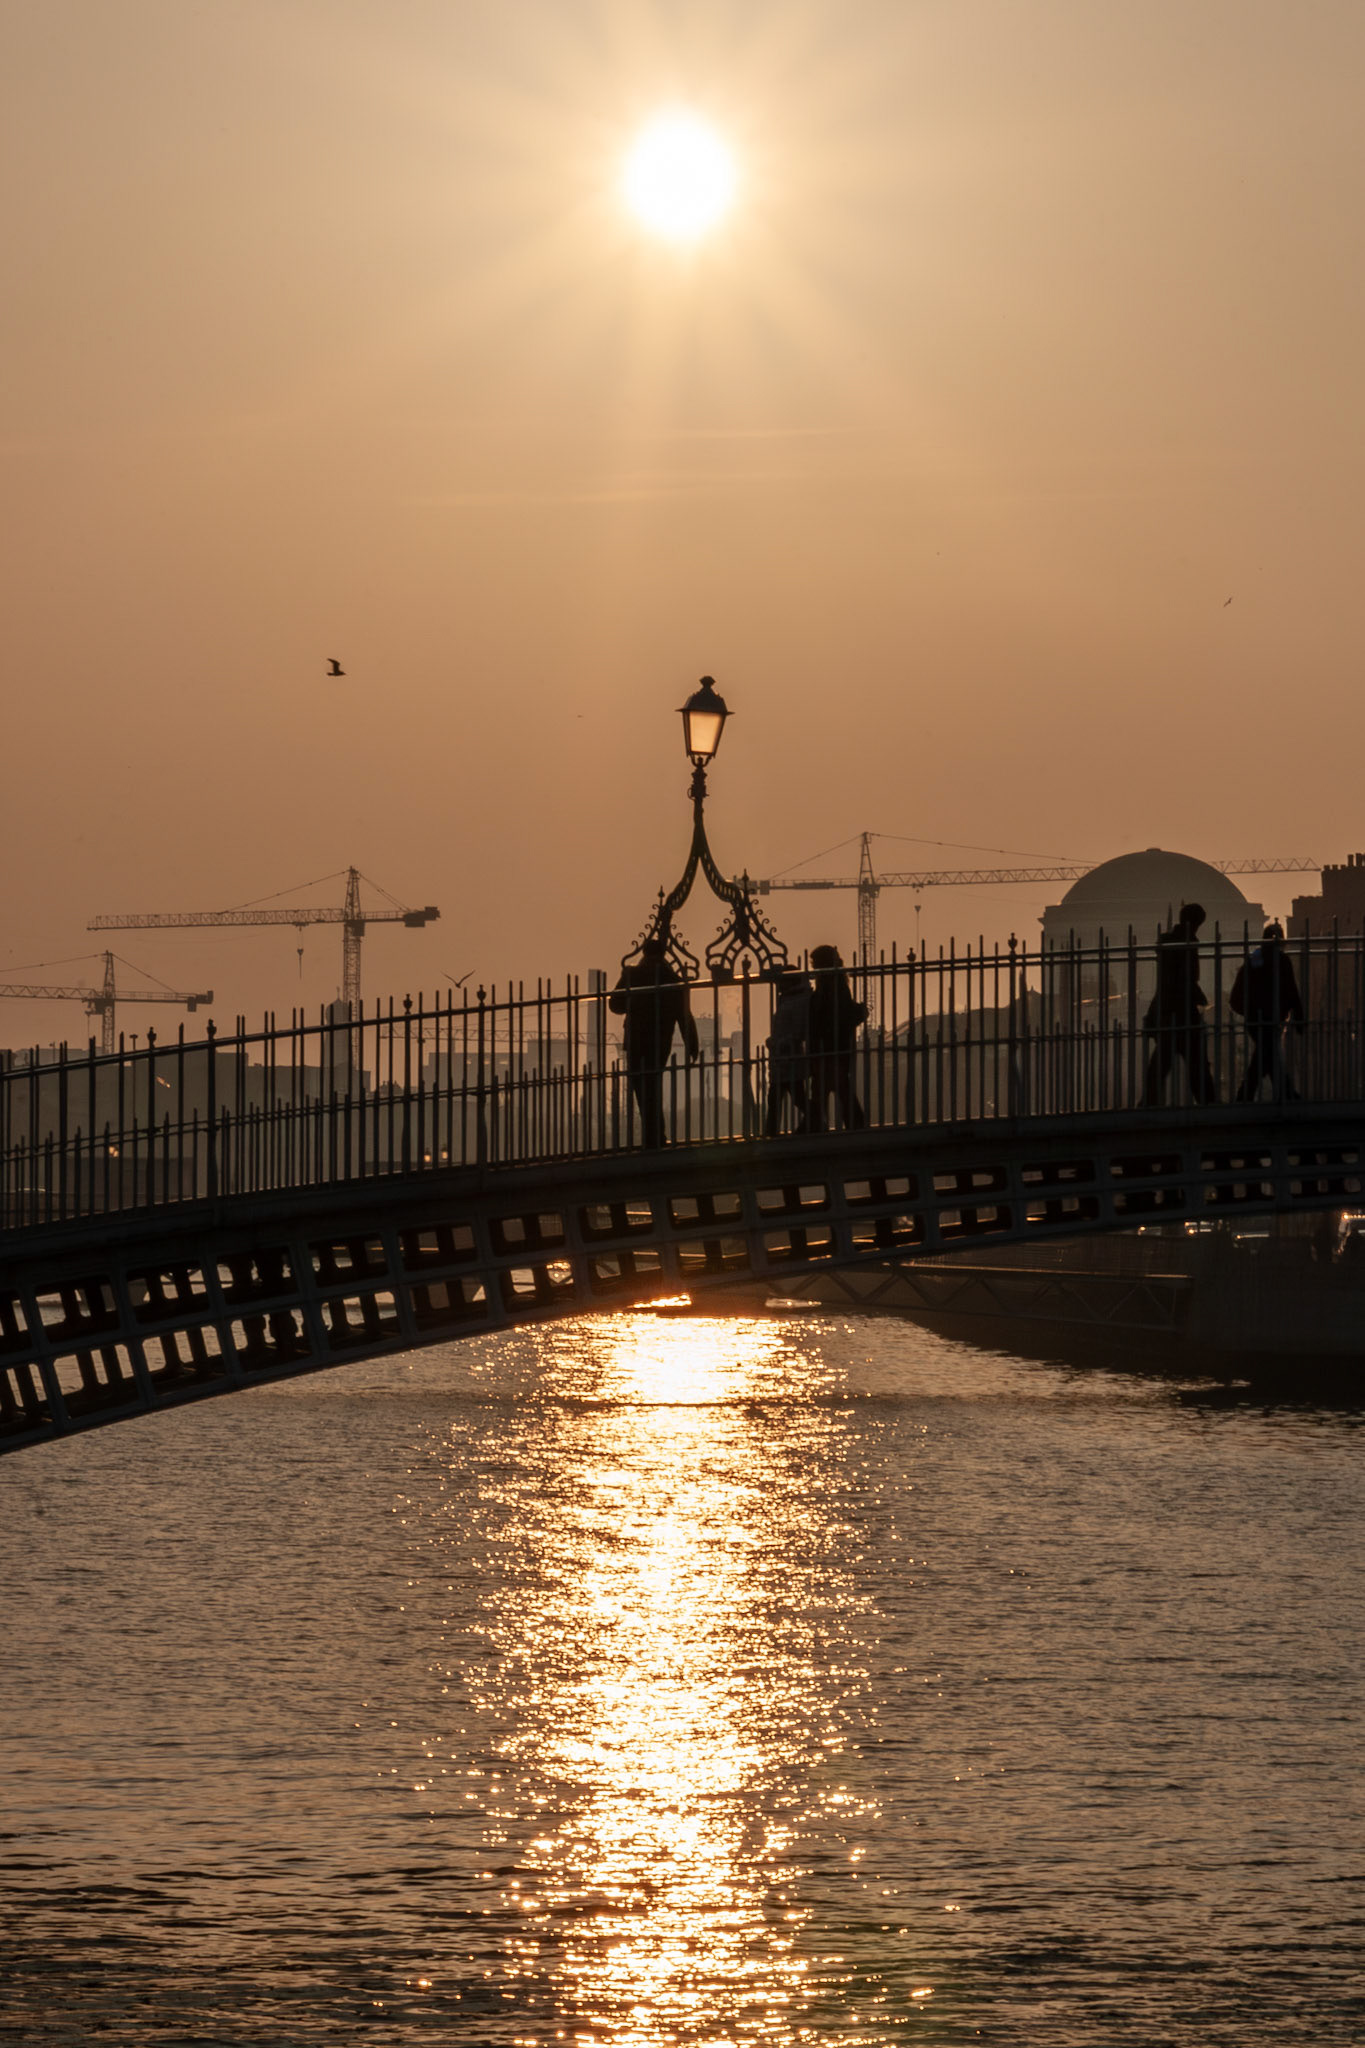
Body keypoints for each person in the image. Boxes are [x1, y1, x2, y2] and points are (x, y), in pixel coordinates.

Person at [609, 936, 699, 1147]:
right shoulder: (671, 977)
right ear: (663, 954)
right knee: (652, 1084)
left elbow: (615, 1004)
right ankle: (656, 1134)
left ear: (644, 952)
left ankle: (653, 1135)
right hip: (659, 1041)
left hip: (635, 1040)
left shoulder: (632, 973)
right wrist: (692, 1045)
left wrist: (634, 1003)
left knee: (641, 1086)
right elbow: (684, 1015)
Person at [1143, 903, 1216, 1105]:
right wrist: (1199, 996)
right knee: (1196, 1063)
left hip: (1167, 1010)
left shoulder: (1168, 942)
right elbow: (1187, 977)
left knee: (1162, 1062)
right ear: (1195, 923)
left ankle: (1149, 1101)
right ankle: (1208, 1101)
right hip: (1182, 1011)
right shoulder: (1188, 942)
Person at [1231, 922, 1303, 1101]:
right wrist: (1299, 1016)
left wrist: (1249, 1010)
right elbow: (1292, 990)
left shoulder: (1254, 959)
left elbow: (1235, 997)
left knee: (1265, 1055)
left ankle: (1281, 1093)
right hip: (1272, 1017)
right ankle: (1282, 1093)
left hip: (1255, 1019)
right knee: (1267, 1055)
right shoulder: (1282, 960)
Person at [807, 944, 867, 1131]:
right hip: (836, 1046)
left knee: (829, 1089)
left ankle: (817, 1127)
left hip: (829, 1046)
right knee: (836, 1088)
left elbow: (839, 1015)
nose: (813, 968)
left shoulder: (830, 988)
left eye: (815, 964)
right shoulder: (837, 985)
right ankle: (853, 1125)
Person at [764, 967, 812, 1135]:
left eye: (782, 981)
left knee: (789, 1097)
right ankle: (771, 1131)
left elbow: (799, 1030)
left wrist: (780, 1043)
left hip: (789, 1057)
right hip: (783, 1058)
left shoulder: (797, 1001)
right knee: (781, 1097)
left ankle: (771, 1132)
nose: (778, 985)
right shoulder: (788, 1000)